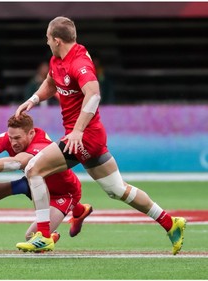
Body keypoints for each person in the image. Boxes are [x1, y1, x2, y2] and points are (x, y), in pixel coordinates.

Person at [15, 16, 186, 255]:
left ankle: (43, 235)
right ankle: (170, 222)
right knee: (117, 189)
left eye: (47, 39)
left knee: (33, 169)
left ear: (56, 39)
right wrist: (32, 100)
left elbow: (94, 95)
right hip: (86, 137)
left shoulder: (79, 62)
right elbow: (51, 82)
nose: (46, 43)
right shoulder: (57, 59)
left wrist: (77, 130)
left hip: (84, 136)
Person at [0, 113, 92, 245]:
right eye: (11, 138)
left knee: (30, 237)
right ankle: (79, 211)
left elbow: (18, 162)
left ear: (31, 133)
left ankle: (56, 230)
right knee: (26, 184)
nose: (13, 143)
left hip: (64, 193)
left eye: (17, 138)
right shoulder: (9, 137)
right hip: (38, 183)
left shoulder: (41, 144)